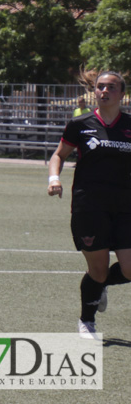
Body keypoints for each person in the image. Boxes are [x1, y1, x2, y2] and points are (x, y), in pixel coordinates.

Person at [47, 70, 131, 339]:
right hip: (90, 204)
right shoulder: (80, 124)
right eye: (100, 87)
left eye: (111, 88)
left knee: (129, 269)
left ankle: (102, 284)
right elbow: (58, 156)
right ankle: (87, 321)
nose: (104, 91)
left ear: (122, 94)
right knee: (98, 269)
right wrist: (54, 178)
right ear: (94, 91)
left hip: (126, 205)